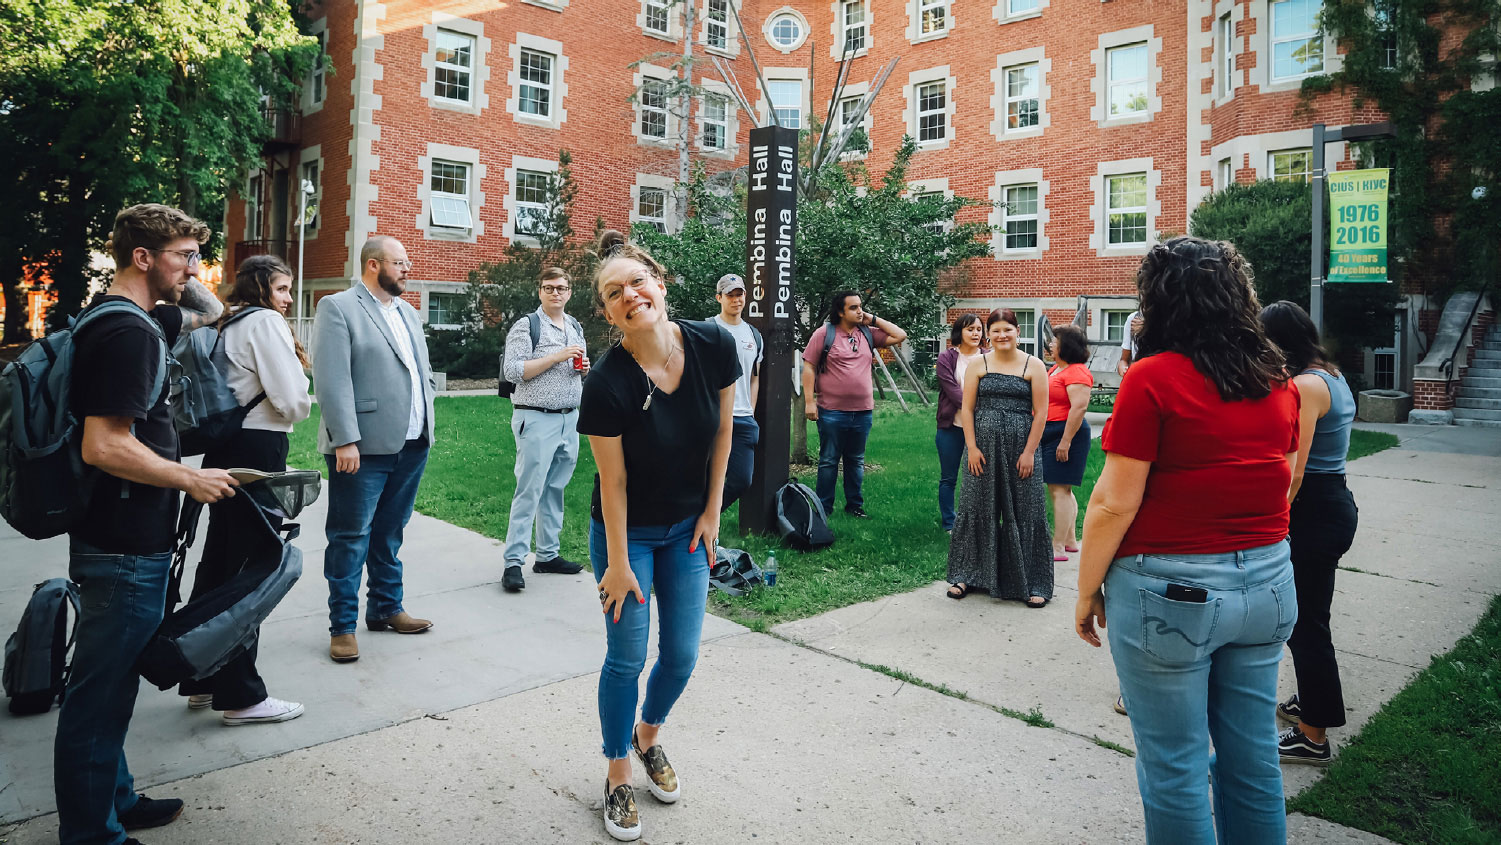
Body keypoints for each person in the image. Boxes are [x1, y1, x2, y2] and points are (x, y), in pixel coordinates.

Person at [1074, 236, 1300, 844]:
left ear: (1161, 300)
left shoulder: (1152, 379)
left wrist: (1087, 588)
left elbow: (1113, 502)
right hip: (1270, 583)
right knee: (1253, 759)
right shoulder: (1278, 380)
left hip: (1170, 591)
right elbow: (1286, 480)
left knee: (1175, 768)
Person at [58, 203, 237, 844]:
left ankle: (118, 799)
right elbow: (104, 445)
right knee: (98, 698)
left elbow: (212, 311)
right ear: (142, 258)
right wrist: (192, 478)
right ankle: (91, 834)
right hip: (123, 545)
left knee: (112, 689)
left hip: (127, 538)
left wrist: (184, 269)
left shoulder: (132, 317)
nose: (196, 269)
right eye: (185, 255)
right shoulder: (127, 332)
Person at [576, 230, 738, 842]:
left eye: (636, 282)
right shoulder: (607, 384)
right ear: (608, 312)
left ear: (660, 284)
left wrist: (712, 512)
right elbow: (611, 485)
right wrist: (617, 563)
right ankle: (618, 770)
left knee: (682, 656)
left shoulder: (712, 344)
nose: (629, 295)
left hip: (688, 529)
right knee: (626, 658)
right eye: (614, 293)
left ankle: (649, 735)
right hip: (629, 536)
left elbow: (724, 431)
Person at [179, 254, 312, 724]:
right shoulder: (264, 324)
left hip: (224, 444)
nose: (288, 298)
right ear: (261, 288)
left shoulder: (222, 325)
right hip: (259, 446)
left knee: (219, 561)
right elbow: (294, 402)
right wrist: (301, 399)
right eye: (282, 289)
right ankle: (241, 695)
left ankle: (200, 675)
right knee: (251, 568)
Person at [311, 235, 437, 664]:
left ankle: (386, 608)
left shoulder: (408, 312)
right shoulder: (338, 307)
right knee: (349, 537)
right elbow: (330, 379)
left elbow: (421, 371)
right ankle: (342, 626)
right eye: (399, 263)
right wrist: (345, 438)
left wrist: (428, 408)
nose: (407, 269)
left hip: (412, 444)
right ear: (372, 266)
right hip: (361, 449)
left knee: (390, 534)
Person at [1260, 299, 1358, 767]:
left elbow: (1293, 469)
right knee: (1310, 616)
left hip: (1312, 508)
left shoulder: (1304, 385)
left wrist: (1270, 514)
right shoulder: (1332, 375)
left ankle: (1312, 737)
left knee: (1306, 626)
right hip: (1332, 501)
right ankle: (1310, 701)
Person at [945, 308, 1051, 605]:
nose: (1002, 335)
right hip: (983, 449)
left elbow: (1041, 412)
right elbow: (967, 409)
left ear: (1018, 332)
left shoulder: (1035, 365)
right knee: (975, 506)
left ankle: (1033, 583)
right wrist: (972, 447)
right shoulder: (978, 364)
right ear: (988, 335)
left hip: (1022, 451)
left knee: (1026, 510)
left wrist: (1030, 452)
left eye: (1008, 329)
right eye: (995, 330)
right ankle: (967, 575)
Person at [499, 267, 589, 593]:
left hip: (569, 419)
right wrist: (556, 357)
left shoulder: (575, 326)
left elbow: (576, 369)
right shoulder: (527, 326)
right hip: (536, 418)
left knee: (555, 488)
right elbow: (513, 371)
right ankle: (513, 562)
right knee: (529, 489)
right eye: (549, 288)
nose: (555, 293)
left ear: (569, 292)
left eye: (561, 288)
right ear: (540, 291)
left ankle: (548, 555)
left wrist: (583, 368)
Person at [799, 291, 908, 518]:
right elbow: (808, 367)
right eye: (854, 308)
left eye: (860, 307)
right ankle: (823, 509)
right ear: (840, 311)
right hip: (831, 411)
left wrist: (874, 319)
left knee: (855, 460)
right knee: (829, 461)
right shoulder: (824, 334)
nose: (859, 311)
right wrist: (809, 402)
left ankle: (854, 506)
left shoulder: (867, 333)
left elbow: (900, 335)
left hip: (862, 412)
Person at [710, 273, 762, 511]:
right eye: (730, 295)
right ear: (719, 297)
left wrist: (750, 410)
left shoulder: (754, 335)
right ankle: (698, 533)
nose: (736, 300)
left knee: (741, 480)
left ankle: (708, 518)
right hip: (712, 418)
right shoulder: (708, 329)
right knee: (702, 479)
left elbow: (754, 377)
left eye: (739, 294)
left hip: (742, 419)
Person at [1041, 324, 1094, 560]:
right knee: (1062, 488)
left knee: (1058, 489)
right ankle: (1070, 539)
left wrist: (1066, 441)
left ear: (1066, 345)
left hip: (1066, 432)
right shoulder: (1055, 370)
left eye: (1055, 341)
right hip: (1050, 430)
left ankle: (1058, 546)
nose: (1051, 344)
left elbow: (1079, 407)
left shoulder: (1077, 372)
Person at [934, 314, 985, 532]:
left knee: (981, 478)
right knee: (949, 477)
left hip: (983, 428)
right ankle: (949, 523)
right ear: (959, 332)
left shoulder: (989, 357)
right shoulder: (947, 358)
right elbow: (953, 392)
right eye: (970, 329)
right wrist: (975, 406)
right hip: (951, 428)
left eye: (979, 329)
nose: (975, 333)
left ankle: (979, 522)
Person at [1116, 310, 1143, 376]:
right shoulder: (1133, 318)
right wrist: (1124, 369)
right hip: (1137, 374)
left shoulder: (1169, 318)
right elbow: (1124, 359)